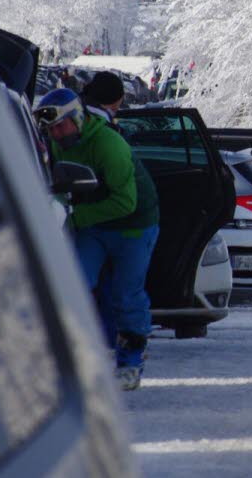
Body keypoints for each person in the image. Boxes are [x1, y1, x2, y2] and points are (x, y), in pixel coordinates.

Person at [34, 88, 160, 391]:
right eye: (50, 129)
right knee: (74, 284)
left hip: (133, 226)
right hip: (94, 225)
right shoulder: (58, 143)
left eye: (61, 125)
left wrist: (74, 214)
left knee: (127, 295)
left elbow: (125, 202)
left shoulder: (109, 145)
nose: (57, 133)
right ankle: (71, 360)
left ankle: (130, 364)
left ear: (77, 117)